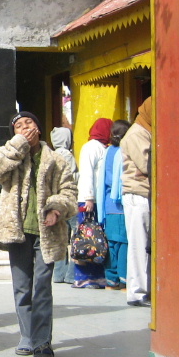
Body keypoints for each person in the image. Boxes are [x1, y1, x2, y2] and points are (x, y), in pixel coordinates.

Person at [0, 111, 77, 357]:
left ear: (38, 128)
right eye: (18, 126)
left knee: (42, 286)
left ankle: (42, 341)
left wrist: (57, 209)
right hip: (17, 231)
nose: (25, 127)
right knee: (22, 286)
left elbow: (69, 190)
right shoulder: (9, 153)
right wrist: (19, 145)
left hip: (46, 231)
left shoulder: (57, 159)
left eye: (29, 123)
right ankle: (27, 336)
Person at [73, 118, 113, 289]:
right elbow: (87, 173)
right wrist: (89, 198)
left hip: (97, 200)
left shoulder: (104, 148)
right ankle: (84, 277)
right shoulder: (91, 147)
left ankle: (97, 276)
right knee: (86, 238)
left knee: (96, 239)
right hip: (89, 200)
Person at [121, 98, 152, 307]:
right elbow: (147, 164)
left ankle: (145, 289)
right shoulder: (136, 134)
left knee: (145, 245)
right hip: (137, 195)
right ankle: (137, 292)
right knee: (139, 245)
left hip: (144, 193)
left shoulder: (147, 131)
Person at [96, 120, 131, 290]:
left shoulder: (108, 151)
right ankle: (124, 279)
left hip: (108, 205)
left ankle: (111, 279)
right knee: (123, 243)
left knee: (111, 243)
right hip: (121, 204)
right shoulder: (125, 151)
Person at [49, 126, 78, 284]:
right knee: (76, 235)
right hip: (68, 200)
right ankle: (71, 274)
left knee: (60, 237)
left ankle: (58, 273)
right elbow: (71, 177)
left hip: (55, 200)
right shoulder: (67, 155)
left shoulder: (51, 154)